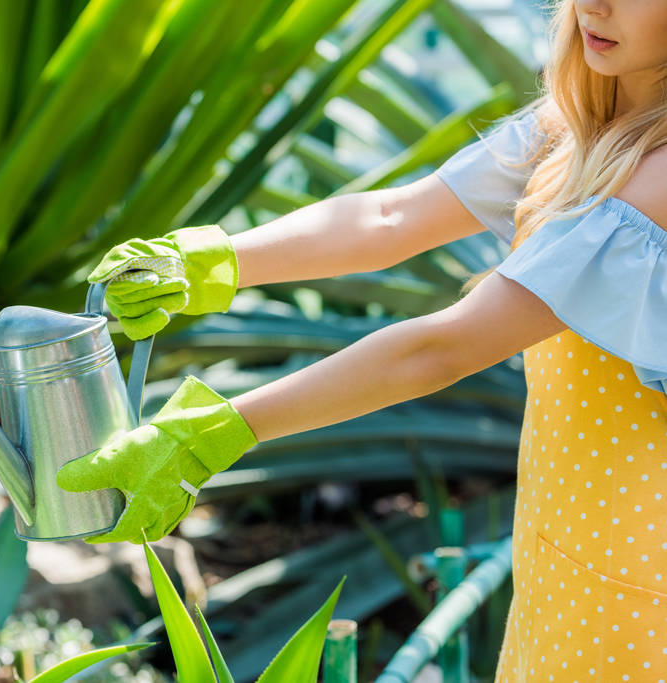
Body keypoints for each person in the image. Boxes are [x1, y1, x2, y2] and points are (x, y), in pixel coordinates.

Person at [57, 0, 667, 678]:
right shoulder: (579, 126)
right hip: (566, 546)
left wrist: (215, 431)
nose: (593, 3)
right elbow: (391, 215)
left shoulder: (658, 180)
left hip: (638, 582)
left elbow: (444, 347)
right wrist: (209, 261)